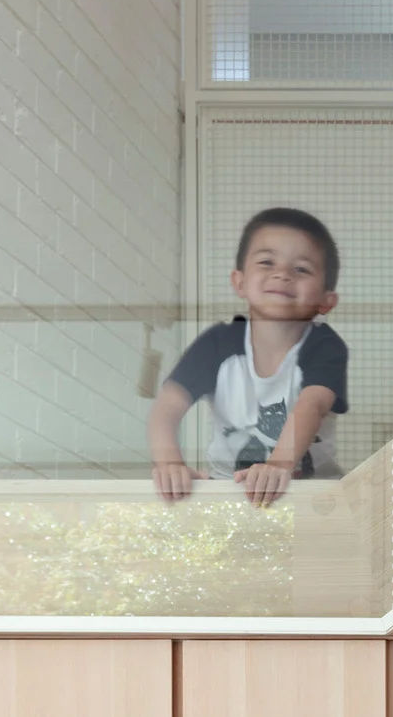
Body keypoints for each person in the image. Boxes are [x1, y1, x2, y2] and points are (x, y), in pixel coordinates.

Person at [149, 208, 349, 506]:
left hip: (310, 498)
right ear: (239, 281)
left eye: (301, 269)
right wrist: (170, 464)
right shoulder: (218, 344)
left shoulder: (323, 345)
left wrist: (279, 465)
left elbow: (312, 405)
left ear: (326, 300)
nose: (282, 274)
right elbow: (166, 408)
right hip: (230, 495)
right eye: (267, 262)